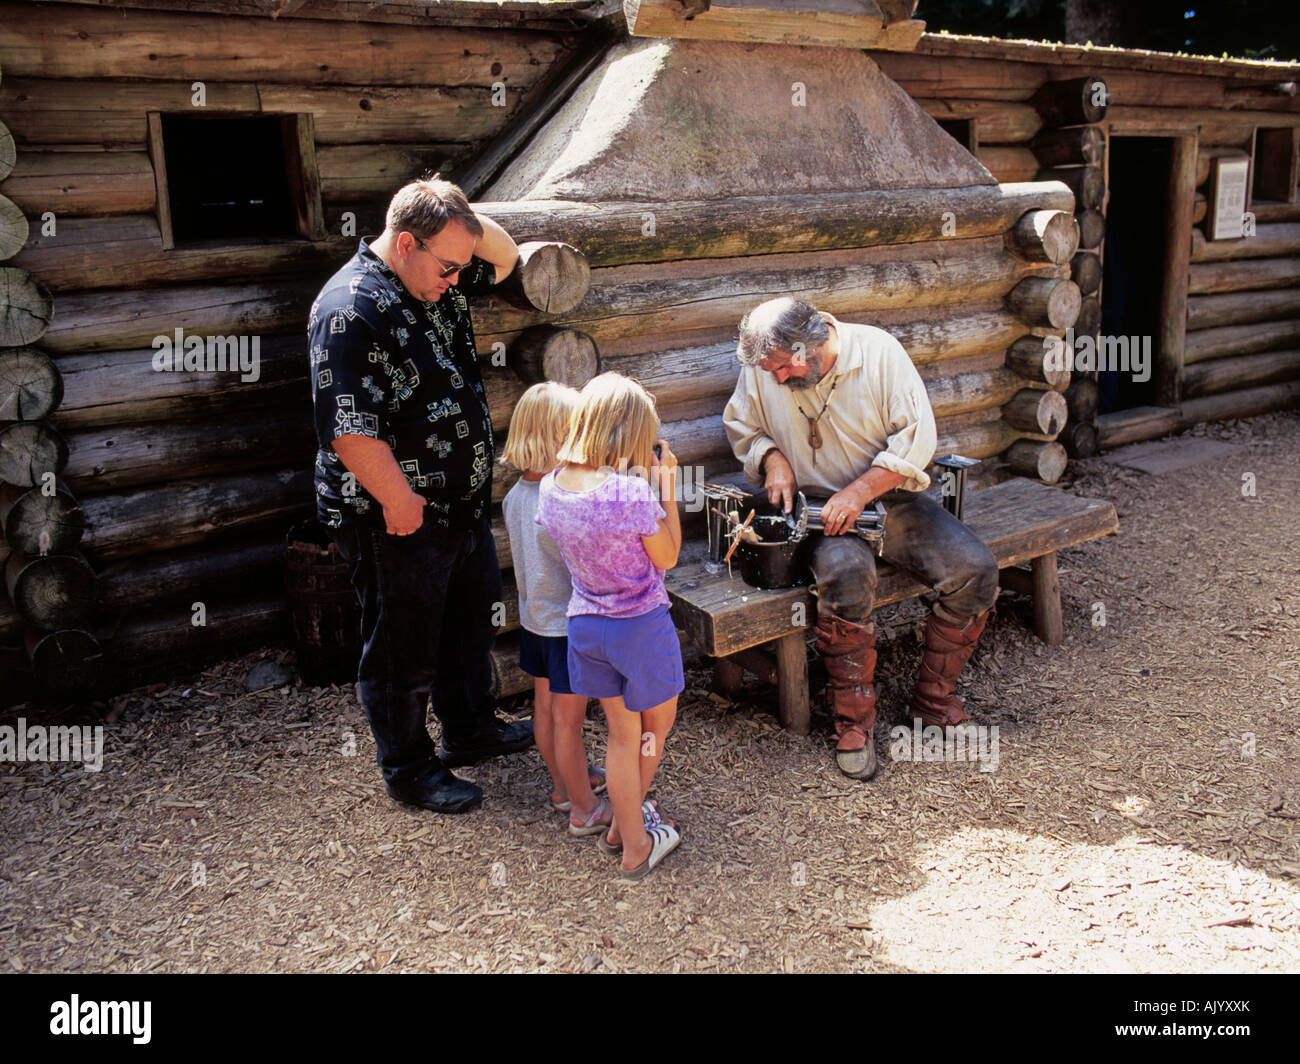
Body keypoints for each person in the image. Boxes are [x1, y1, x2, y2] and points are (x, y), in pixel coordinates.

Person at [309, 176, 533, 815]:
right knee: (404, 648)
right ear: (404, 243)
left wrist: (455, 209)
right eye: (449, 265)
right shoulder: (350, 309)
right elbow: (349, 431)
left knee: (468, 622)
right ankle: (408, 768)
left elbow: (507, 255)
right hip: (393, 514)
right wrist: (401, 502)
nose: (459, 278)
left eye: (462, 265)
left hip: (457, 506)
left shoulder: (430, 276)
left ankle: (470, 729)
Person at [723, 298, 998, 782]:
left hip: (890, 500)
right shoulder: (768, 366)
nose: (779, 380)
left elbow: (916, 438)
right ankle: (854, 725)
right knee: (847, 580)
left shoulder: (879, 353)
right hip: (819, 511)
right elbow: (744, 424)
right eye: (773, 373)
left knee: (975, 571)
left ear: (809, 347)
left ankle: (933, 704)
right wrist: (773, 459)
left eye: (785, 368)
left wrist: (860, 491)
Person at [536, 373, 683, 882]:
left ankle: (625, 829)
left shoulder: (551, 487)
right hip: (639, 629)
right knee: (654, 732)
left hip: (587, 627)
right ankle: (636, 838)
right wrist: (667, 491)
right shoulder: (631, 492)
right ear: (626, 432)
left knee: (622, 735)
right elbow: (668, 556)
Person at [500, 382, 610, 833]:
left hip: (535, 623)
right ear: (562, 435)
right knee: (569, 721)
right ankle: (584, 808)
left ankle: (565, 785)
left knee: (545, 711)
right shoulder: (558, 498)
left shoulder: (514, 496)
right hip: (567, 626)